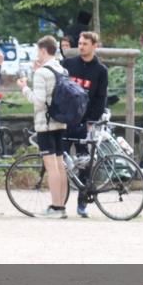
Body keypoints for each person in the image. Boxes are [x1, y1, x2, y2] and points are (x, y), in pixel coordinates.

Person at [17, 35, 69, 218]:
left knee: (51, 165)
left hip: (45, 124)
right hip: (60, 122)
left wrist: (24, 88)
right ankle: (61, 205)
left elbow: (38, 102)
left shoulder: (41, 73)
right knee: (60, 164)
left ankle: (55, 207)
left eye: (38, 50)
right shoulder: (61, 69)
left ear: (43, 50)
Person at [60, 30, 109, 218]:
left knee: (84, 164)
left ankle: (82, 203)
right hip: (65, 121)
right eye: (79, 43)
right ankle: (59, 202)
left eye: (85, 44)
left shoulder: (100, 71)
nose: (81, 46)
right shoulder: (68, 64)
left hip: (84, 123)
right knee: (61, 162)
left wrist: (91, 121)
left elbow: (100, 99)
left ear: (94, 46)